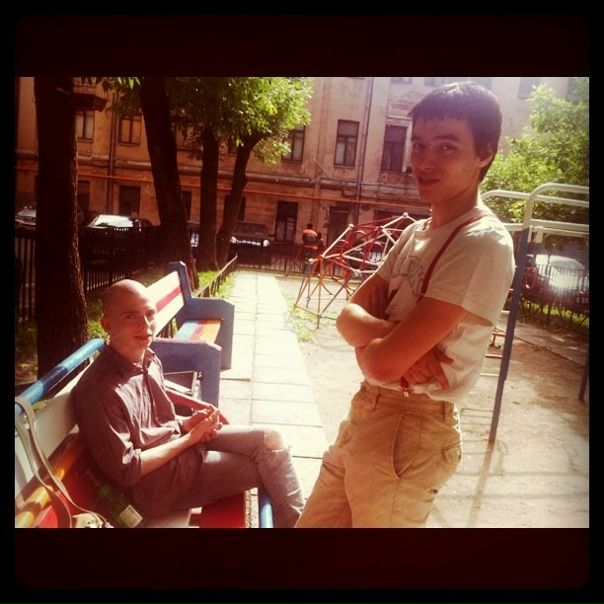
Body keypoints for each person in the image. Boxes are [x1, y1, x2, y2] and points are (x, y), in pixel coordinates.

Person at [296, 81, 515, 528]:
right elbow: (346, 316)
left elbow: (380, 362)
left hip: (412, 428)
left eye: (447, 147)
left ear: (485, 153)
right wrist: (387, 340)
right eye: (419, 145)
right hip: (366, 413)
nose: (424, 161)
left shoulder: (481, 242)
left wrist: (377, 348)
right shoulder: (416, 233)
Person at [73, 279, 304, 527]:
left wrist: (186, 424)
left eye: (150, 314)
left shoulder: (147, 359)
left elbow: (157, 425)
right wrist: (191, 438)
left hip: (182, 450)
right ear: (107, 325)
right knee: (267, 470)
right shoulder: (100, 390)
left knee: (271, 441)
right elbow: (127, 471)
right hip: (159, 487)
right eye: (131, 316)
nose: (145, 325)